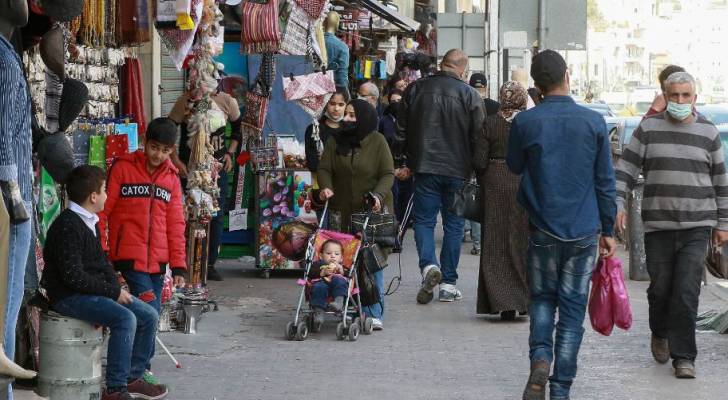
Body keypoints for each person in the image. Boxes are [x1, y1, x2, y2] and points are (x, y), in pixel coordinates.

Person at [506, 50, 616, 400]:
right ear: (567, 75)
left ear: (535, 86)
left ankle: (540, 359)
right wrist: (609, 230)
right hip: (583, 230)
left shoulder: (526, 122)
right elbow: (605, 181)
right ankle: (561, 390)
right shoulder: (594, 122)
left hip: (542, 227)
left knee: (540, 300)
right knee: (570, 312)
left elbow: (514, 165)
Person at [615, 71, 728, 379]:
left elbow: (721, 180)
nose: (680, 101)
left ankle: (684, 357)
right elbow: (625, 169)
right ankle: (660, 332)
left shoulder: (708, 132)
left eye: (686, 96)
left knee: (687, 291)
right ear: (665, 96)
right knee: (661, 289)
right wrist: (617, 204)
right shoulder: (648, 128)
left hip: (697, 225)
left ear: (695, 97)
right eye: (674, 95)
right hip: (658, 226)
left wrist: (723, 223)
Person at [41, 166, 167, 400]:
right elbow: (73, 277)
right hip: (68, 296)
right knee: (125, 318)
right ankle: (115, 388)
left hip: (91, 290)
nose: (108, 195)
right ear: (93, 196)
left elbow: (101, 263)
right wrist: (112, 292)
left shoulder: (91, 222)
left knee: (148, 314)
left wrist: (116, 289)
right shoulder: (67, 226)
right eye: (104, 190)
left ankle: (132, 377)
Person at [395, 48, 485, 304]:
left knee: (423, 221)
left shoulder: (415, 89)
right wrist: (478, 172)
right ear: (462, 70)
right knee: (454, 226)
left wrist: (403, 161)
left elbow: (401, 128)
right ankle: (448, 283)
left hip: (424, 167)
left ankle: (428, 267)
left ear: (442, 64)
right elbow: (479, 137)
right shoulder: (470, 95)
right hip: (458, 170)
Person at [99, 117, 187, 378]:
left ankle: (139, 368)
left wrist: (179, 265)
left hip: (158, 264)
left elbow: (176, 224)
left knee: (151, 316)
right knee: (148, 313)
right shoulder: (123, 168)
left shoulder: (172, 179)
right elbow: (103, 212)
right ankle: (136, 372)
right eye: (154, 147)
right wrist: (102, 249)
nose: (158, 155)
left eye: (165, 150)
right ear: (145, 143)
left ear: (172, 150)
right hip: (128, 256)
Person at [317, 99, 394, 330]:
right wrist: (326, 186)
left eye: (352, 115)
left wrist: (378, 197)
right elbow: (324, 168)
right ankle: (347, 304)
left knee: (370, 261)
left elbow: (387, 173)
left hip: (371, 211)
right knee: (343, 258)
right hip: (341, 209)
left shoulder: (378, 142)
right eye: (346, 115)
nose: (347, 119)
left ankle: (373, 310)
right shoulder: (334, 141)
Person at [0, 0, 39, 390]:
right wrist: (12, 194)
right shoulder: (1, 57)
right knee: (3, 318)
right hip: (9, 205)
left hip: (12, 200)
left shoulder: (8, 53)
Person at [168, 87, 242, 281]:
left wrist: (230, 153)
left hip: (216, 169)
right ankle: (184, 262)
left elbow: (238, 129)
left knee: (215, 215)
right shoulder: (185, 100)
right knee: (186, 213)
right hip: (189, 168)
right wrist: (175, 160)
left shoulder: (227, 101)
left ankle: (209, 264)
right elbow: (169, 129)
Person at [473, 81, 530, 321]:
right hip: (521, 182)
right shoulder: (528, 123)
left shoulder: (490, 122)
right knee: (519, 239)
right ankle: (521, 300)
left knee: (494, 241)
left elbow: (479, 160)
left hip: (494, 184)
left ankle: (498, 301)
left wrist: (485, 176)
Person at [304, 90, 348, 174]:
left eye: (341, 104)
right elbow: (313, 165)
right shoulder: (314, 130)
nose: (336, 108)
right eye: (332, 103)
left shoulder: (350, 130)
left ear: (346, 106)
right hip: (321, 183)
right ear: (325, 104)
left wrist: (325, 160)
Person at [308, 239, 348, 328]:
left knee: (339, 280)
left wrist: (342, 271)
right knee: (319, 287)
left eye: (336, 254)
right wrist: (322, 271)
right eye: (328, 253)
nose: (333, 256)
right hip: (322, 284)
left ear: (341, 258)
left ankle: (338, 302)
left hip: (337, 287)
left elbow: (350, 274)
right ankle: (318, 312)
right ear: (321, 256)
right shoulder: (318, 264)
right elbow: (310, 273)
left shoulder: (342, 266)